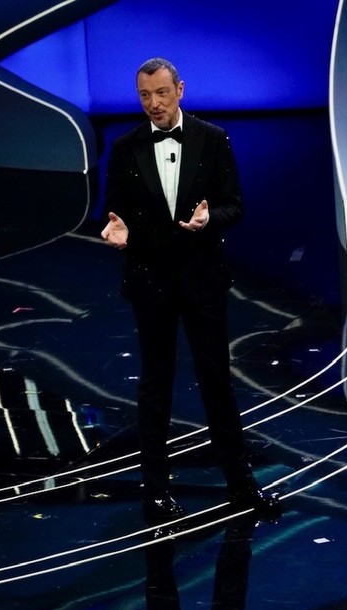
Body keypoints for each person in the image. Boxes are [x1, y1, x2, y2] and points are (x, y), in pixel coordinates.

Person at [101, 57, 278, 525]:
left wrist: (208, 220)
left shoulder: (212, 138)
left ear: (180, 90)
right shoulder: (125, 147)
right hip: (150, 281)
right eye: (145, 96)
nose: (154, 104)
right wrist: (116, 230)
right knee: (155, 385)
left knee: (216, 380)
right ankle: (157, 493)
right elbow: (113, 210)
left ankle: (241, 485)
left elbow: (234, 206)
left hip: (202, 279)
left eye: (161, 93)